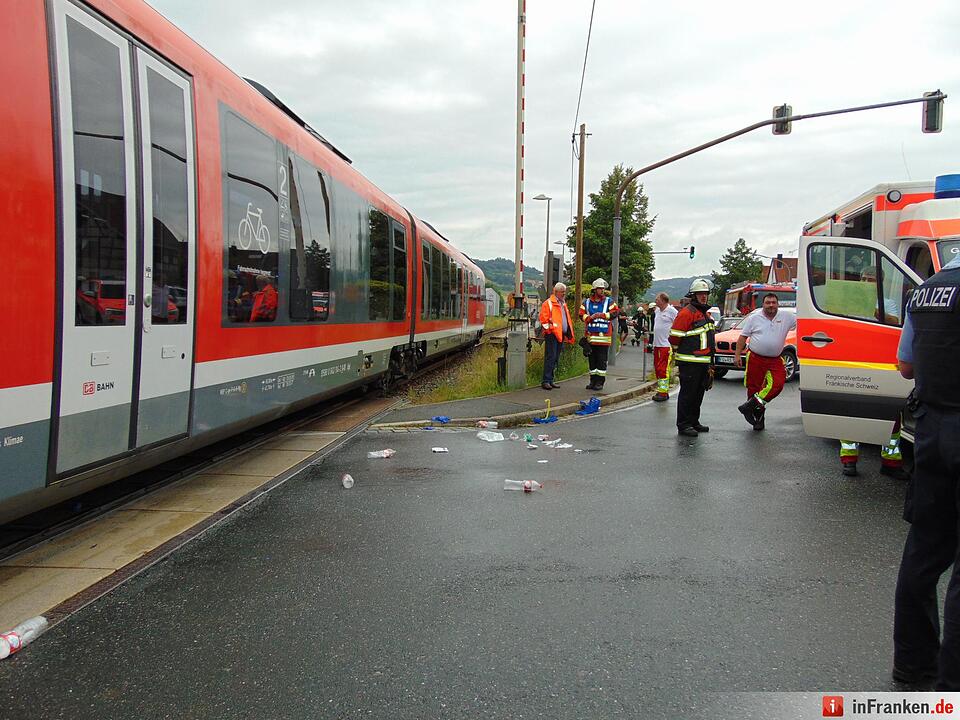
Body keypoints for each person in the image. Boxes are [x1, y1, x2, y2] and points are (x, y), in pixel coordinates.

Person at [892, 253, 960, 689]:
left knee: (924, 552)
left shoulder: (928, 289)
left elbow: (906, 366)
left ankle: (914, 665)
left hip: (933, 432)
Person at [837, 266, 906, 478]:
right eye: (865, 279)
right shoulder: (848, 299)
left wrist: (875, 313)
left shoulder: (889, 301)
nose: (868, 282)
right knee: (851, 411)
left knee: (891, 415)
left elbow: (895, 322)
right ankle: (849, 460)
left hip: (881, 363)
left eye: (872, 279)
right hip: (854, 361)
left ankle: (890, 462)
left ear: (880, 282)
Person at [734, 293, 796, 431]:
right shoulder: (754, 318)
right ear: (763, 304)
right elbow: (742, 337)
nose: (771, 305)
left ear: (778, 304)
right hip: (756, 358)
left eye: (774, 302)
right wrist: (737, 355)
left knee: (777, 385)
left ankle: (749, 406)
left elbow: (806, 320)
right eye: (768, 302)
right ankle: (758, 420)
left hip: (775, 359)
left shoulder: (788, 317)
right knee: (754, 388)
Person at [669, 279, 716, 436]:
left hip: (703, 362)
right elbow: (675, 337)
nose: (704, 297)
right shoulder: (686, 313)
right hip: (689, 362)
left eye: (705, 294)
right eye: (700, 294)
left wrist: (710, 362)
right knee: (688, 395)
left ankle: (694, 422)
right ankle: (683, 424)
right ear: (693, 296)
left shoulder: (705, 314)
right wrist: (680, 352)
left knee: (698, 395)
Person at [579, 278, 619, 391]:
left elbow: (615, 312)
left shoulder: (609, 301)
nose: (602, 291)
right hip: (591, 337)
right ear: (594, 290)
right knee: (592, 361)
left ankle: (600, 383)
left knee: (601, 361)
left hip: (604, 338)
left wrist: (602, 315)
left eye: (603, 289)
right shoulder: (586, 302)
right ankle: (592, 381)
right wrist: (589, 317)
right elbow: (581, 314)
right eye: (600, 289)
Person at [539, 282, 575, 390]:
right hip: (552, 334)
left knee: (555, 357)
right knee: (551, 357)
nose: (564, 294)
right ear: (556, 292)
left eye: (564, 292)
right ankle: (546, 380)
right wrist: (550, 330)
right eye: (562, 292)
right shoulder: (549, 303)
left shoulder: (562, 303)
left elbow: (565, 319)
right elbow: (544, 320)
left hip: (560, 334)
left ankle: (550, 380)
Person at [651, 292, 678, 402]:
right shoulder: (658, 310)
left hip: (666, 345)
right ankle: (661, 389)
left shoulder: (671, 311)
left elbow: (679, 322)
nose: (656, 301)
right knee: (657, 368)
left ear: (663, 300)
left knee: (663, 369)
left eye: (657, 299)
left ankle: (663, 392)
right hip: (657, 344)